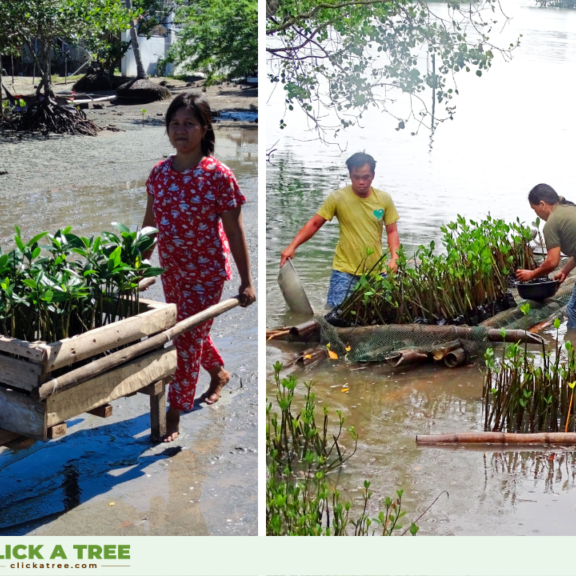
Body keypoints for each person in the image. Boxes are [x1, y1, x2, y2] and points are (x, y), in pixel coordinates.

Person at [141, 92, 256, 443]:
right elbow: (149, 225)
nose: (181, 130)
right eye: (174, 123)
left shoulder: (218, 176)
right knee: (185, 330)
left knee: (186, 341)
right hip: (172, 270)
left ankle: (175, 413)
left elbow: (235, 232)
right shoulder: (159, 173)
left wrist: (248, 282)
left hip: (207, 274)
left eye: (189, 123)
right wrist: (137, 267)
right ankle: (218, 373)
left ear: (205, 127)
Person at [280, 152, 400, 309]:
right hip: (344, 270)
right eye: (356, 177)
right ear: (350, 175)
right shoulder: (337, 198)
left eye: (366, 177)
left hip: (375, 270)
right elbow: (315, 224)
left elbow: (392, 231)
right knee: (334, 313)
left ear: (373, 175)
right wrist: (292, 246)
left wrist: (395, 258)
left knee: (386, 311)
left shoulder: (384, 199)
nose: (361, 182)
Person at [515, 184, 576, 329]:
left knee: (574, 312)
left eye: (534, 209)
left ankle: (573, 347)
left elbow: (552, 262)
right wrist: (564, 271)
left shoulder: (551, 222)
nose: (536, 214)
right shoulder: (574, 209)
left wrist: (531, 274)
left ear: (542, 204)